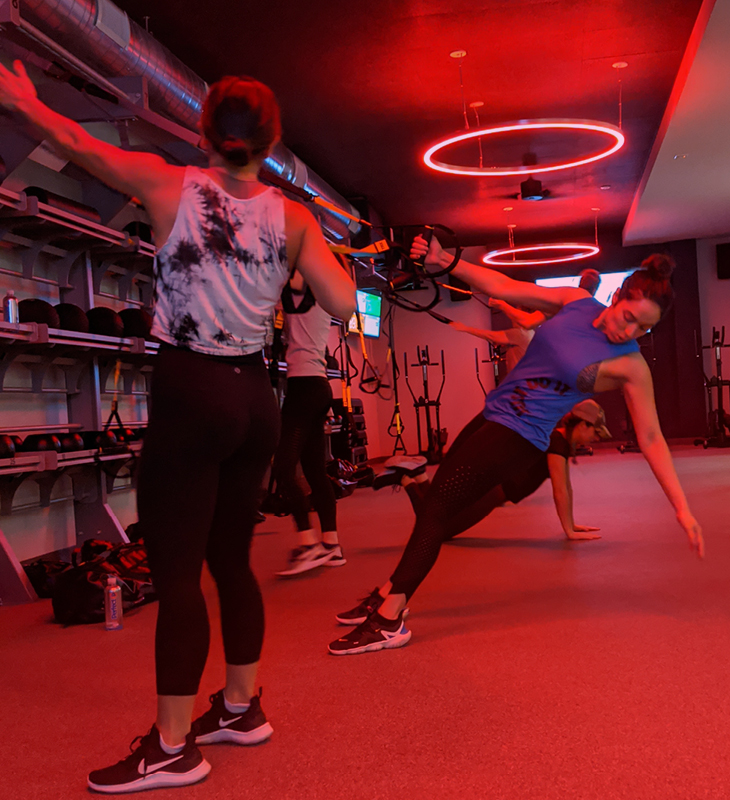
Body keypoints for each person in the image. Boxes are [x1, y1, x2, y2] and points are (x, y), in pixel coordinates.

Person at [0, 62, 355, 791]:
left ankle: (171, 746)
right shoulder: (292, 217)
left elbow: (70, 138)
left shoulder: (168, 183)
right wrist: (305, 254)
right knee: (230, 562)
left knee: (179, 575)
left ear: (204, 131)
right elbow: (345, 302)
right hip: (256, 395)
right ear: (270, 140)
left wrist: (25, 100)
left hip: (191, 392)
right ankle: (238, 707)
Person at [329, 238, 703, 656]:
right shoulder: (577, 303)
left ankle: (389, 617)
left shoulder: (632, 366)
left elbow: (651, 438)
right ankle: (386, 593)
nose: (630, 331)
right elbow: (504, 286)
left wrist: (681, 507)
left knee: (435, 510)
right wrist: (446, 260)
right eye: (630, 317)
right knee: (437, 502)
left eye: (643, 328)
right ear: (616, 298)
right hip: (491, 415)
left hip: (520, 437)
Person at [274, 270, 346, 576]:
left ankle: (309, 544)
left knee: (283, 470)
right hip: (318, 388)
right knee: (316, 471)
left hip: (304, 390)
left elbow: (294, 278)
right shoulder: (320, 303)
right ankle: (331, 544)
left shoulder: (302, 294)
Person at [490, 268, 601, 330]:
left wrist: (502, 305)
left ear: (578, 284)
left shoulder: (563, 303)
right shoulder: (600, 312)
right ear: (595, 290)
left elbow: (528, 322)